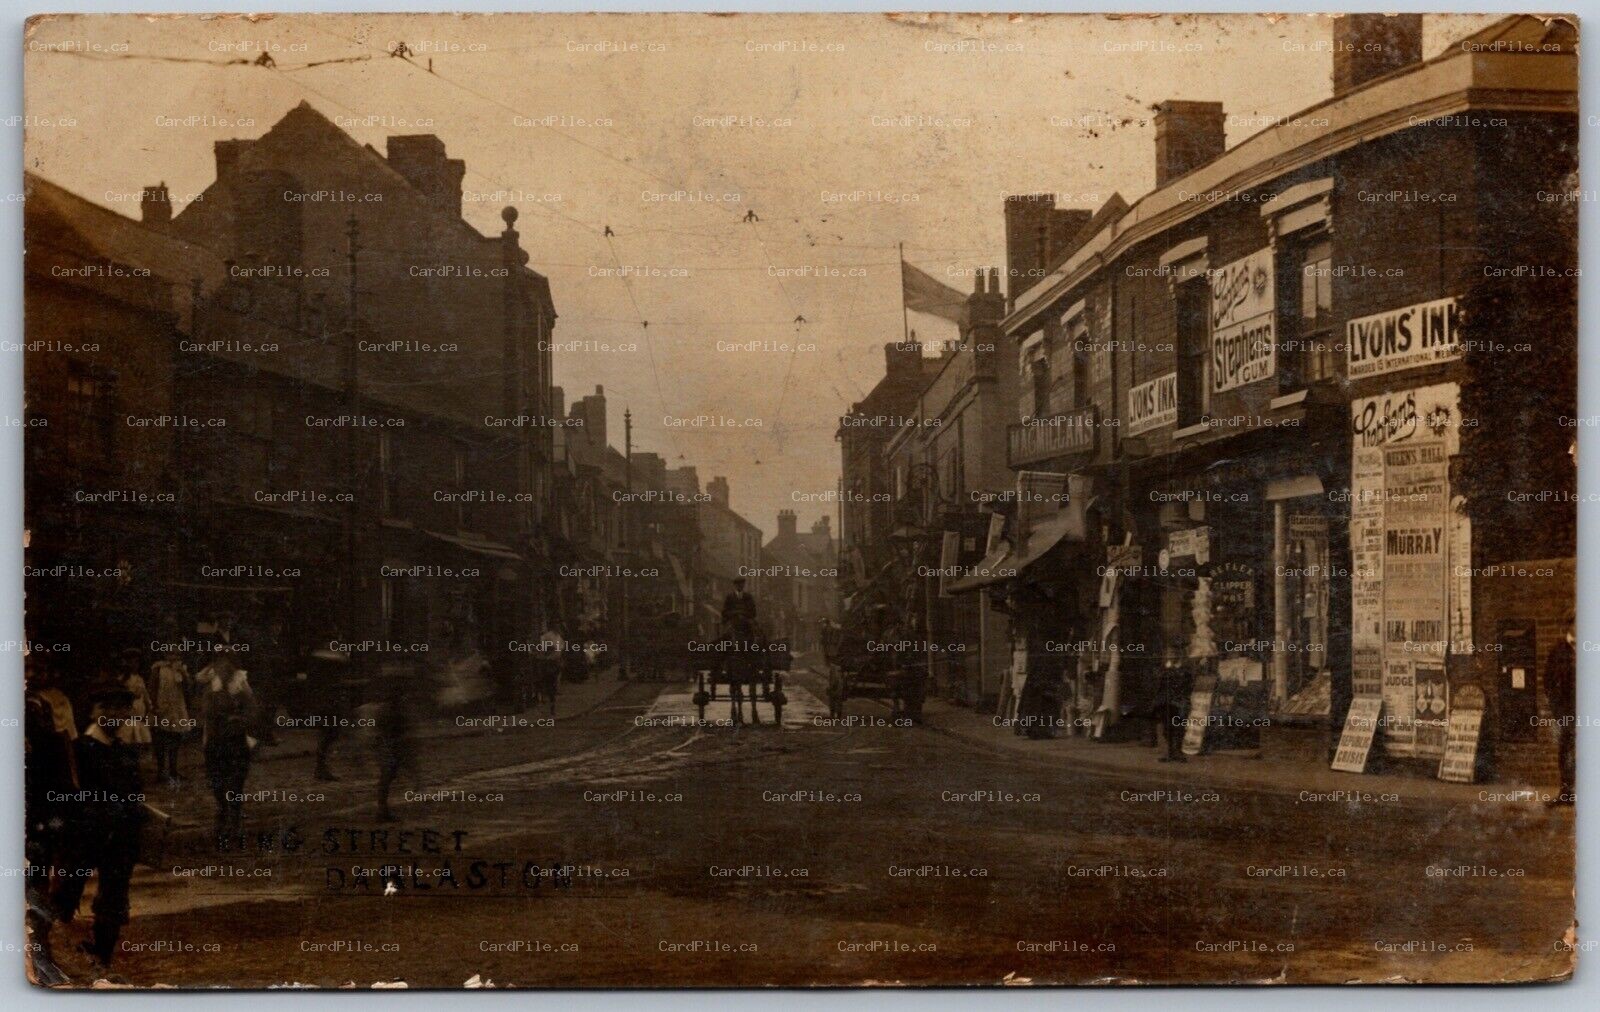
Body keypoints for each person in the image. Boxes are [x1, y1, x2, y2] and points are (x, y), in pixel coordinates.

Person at [47, 684, 147, 971]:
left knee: (114, 901)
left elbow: (135, 794)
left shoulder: (125, 751)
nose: (117, 715)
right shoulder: (77, 751)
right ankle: (47, 955)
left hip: (119, 842)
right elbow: (67, 797)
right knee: (64, 896)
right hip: (84, 838)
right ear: (95, 712)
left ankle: (101, 958)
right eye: (109, 708)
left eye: (123, 709)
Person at [201, 659, 256, 850]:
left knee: (235, 783)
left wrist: (239, 721)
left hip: (236, 742)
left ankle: (234, 819)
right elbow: (207, 713)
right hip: (216, 742)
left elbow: (252, 711)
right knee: (217, 782)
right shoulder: (211, 689)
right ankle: (223, 810)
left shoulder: (241, 686)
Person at [374, 676, 418, 823]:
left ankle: (383, 809)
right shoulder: (390, 709)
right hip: (389, 745)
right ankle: (382, 810)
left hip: (389, 745)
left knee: (389, 776)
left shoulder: (388, 708)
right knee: (387, 776)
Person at [1545, 615, 1577, 807]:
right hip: (1565, 712)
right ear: (1570, 626)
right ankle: (1566, 793)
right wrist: (1557, 709)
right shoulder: (1558, 651)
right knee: (1565, 752)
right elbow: (1548, 681)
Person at [149, 650, 191, 787]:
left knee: (175, 738)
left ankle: (173, 770)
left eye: (177, 654)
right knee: (160, 739)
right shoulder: (158, 668)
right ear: (165, 655)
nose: (174, 657)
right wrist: (154, 707)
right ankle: (161, 770)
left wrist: (183, 674)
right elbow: (152, 688)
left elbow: (188, 688)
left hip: (177, 708)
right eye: (171, 654)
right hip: (162, 708)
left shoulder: (181, 669)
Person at [1155, 659, 1194, 763]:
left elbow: (1189, 685)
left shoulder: (1186, 668)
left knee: (1179, 727)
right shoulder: (1165, 668)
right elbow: (1159, 684)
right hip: (1167, 702)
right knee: (1167, 728)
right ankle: (1168, 752)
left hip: (1179, 702)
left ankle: (1176, 752)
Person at [117, 648, 154, 753]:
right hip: (128, 717)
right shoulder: (122, 680)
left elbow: (145, 695)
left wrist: (150, 706)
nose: (134, 665)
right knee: (127, 744)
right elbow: (121, 697)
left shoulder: (140, 679)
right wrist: (132, 695)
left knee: (138, 744)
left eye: (136, 662)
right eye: (131, 662)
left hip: (139, 716)